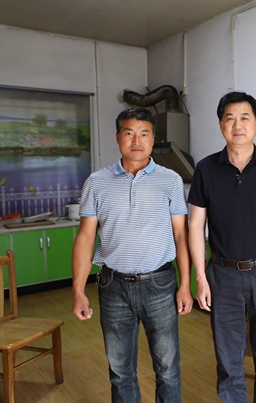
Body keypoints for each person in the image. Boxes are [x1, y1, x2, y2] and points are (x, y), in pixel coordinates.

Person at [71, 107, 193, 403]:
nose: (136, 141)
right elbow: (86, 237)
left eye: (144, 134)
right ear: (117, 137)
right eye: (129, 133)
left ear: (153, 138)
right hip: (113, 287)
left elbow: (181, 235)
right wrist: (78, 290)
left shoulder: (171, 180)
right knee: (120, 371)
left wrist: (186, 285)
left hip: (161, 285)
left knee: (168, 369)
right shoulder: (96, 182)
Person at [187, 91, 256, 403]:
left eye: (245, 117)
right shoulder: (206, 169)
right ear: (221, 125)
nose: (237, 125)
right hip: (223, 274)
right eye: (230, 118)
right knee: (228, 357)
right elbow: (196, 225)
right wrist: (200, 277)